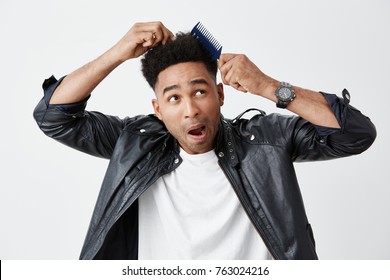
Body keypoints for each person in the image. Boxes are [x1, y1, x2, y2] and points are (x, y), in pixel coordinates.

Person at [33, 21, 376, 260]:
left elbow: (355, 134)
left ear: (220, 95)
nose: (190, 110)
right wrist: (117, 53)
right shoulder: (134, 142)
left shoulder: (268, 140)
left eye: (200, 91)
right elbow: (54, 117)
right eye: (174, 98)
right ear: (158, 108)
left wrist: (268, 86)